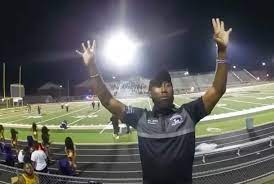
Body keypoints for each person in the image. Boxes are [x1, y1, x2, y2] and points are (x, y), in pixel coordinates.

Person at [76, 18, 232, 183]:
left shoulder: (188, 113)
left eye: (167, 85)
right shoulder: (140, 118)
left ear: (173, 90)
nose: (163, 89)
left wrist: (222, 51)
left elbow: (217, 90)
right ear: (149, 93)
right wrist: (92, 66)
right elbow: (107, 101)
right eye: (158, 86)